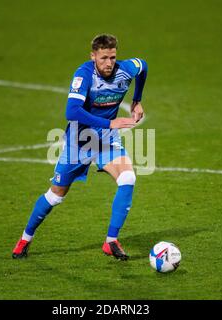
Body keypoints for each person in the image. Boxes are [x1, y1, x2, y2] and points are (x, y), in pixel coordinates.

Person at [12, 34, 147, 261]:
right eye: (103, 58)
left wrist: (137, 99)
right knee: (55, 196)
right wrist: (110, 122)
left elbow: (143, 66)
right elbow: (71, 111)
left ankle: (111, 241)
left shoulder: (126, 68)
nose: (108, 63)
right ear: (93, 56)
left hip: (106, 140)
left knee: (128, 179)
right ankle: (26, 238)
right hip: (79, 141)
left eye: (112, 57)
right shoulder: (84, 75)